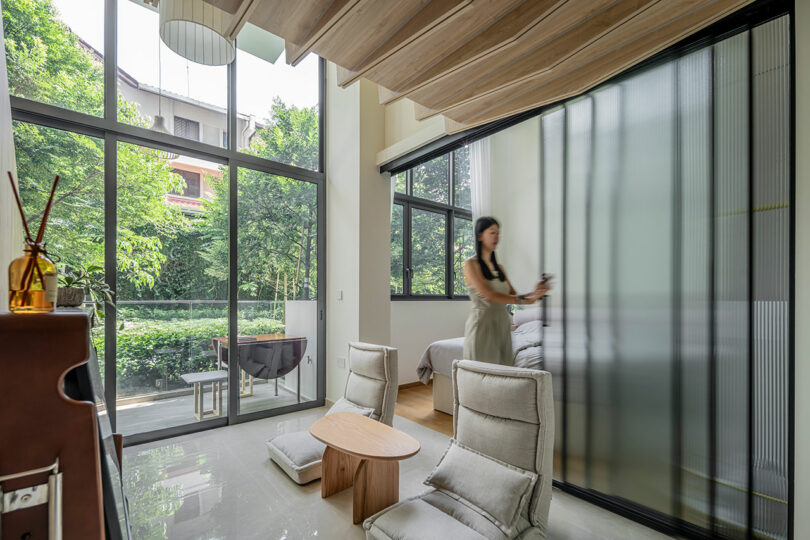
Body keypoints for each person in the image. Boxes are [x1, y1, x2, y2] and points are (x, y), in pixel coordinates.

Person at [462, 216, 549, 365]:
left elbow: (512, 295)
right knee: (482, 373)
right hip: (483, 325)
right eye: (492, 232)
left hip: (502, 324)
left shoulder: (500, 268)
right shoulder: (471, 264)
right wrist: (528, 300)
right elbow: (489, 295)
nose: (497, 237)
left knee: (503, 371)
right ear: (480, 236)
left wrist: (535, 292)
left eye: (498, 233)